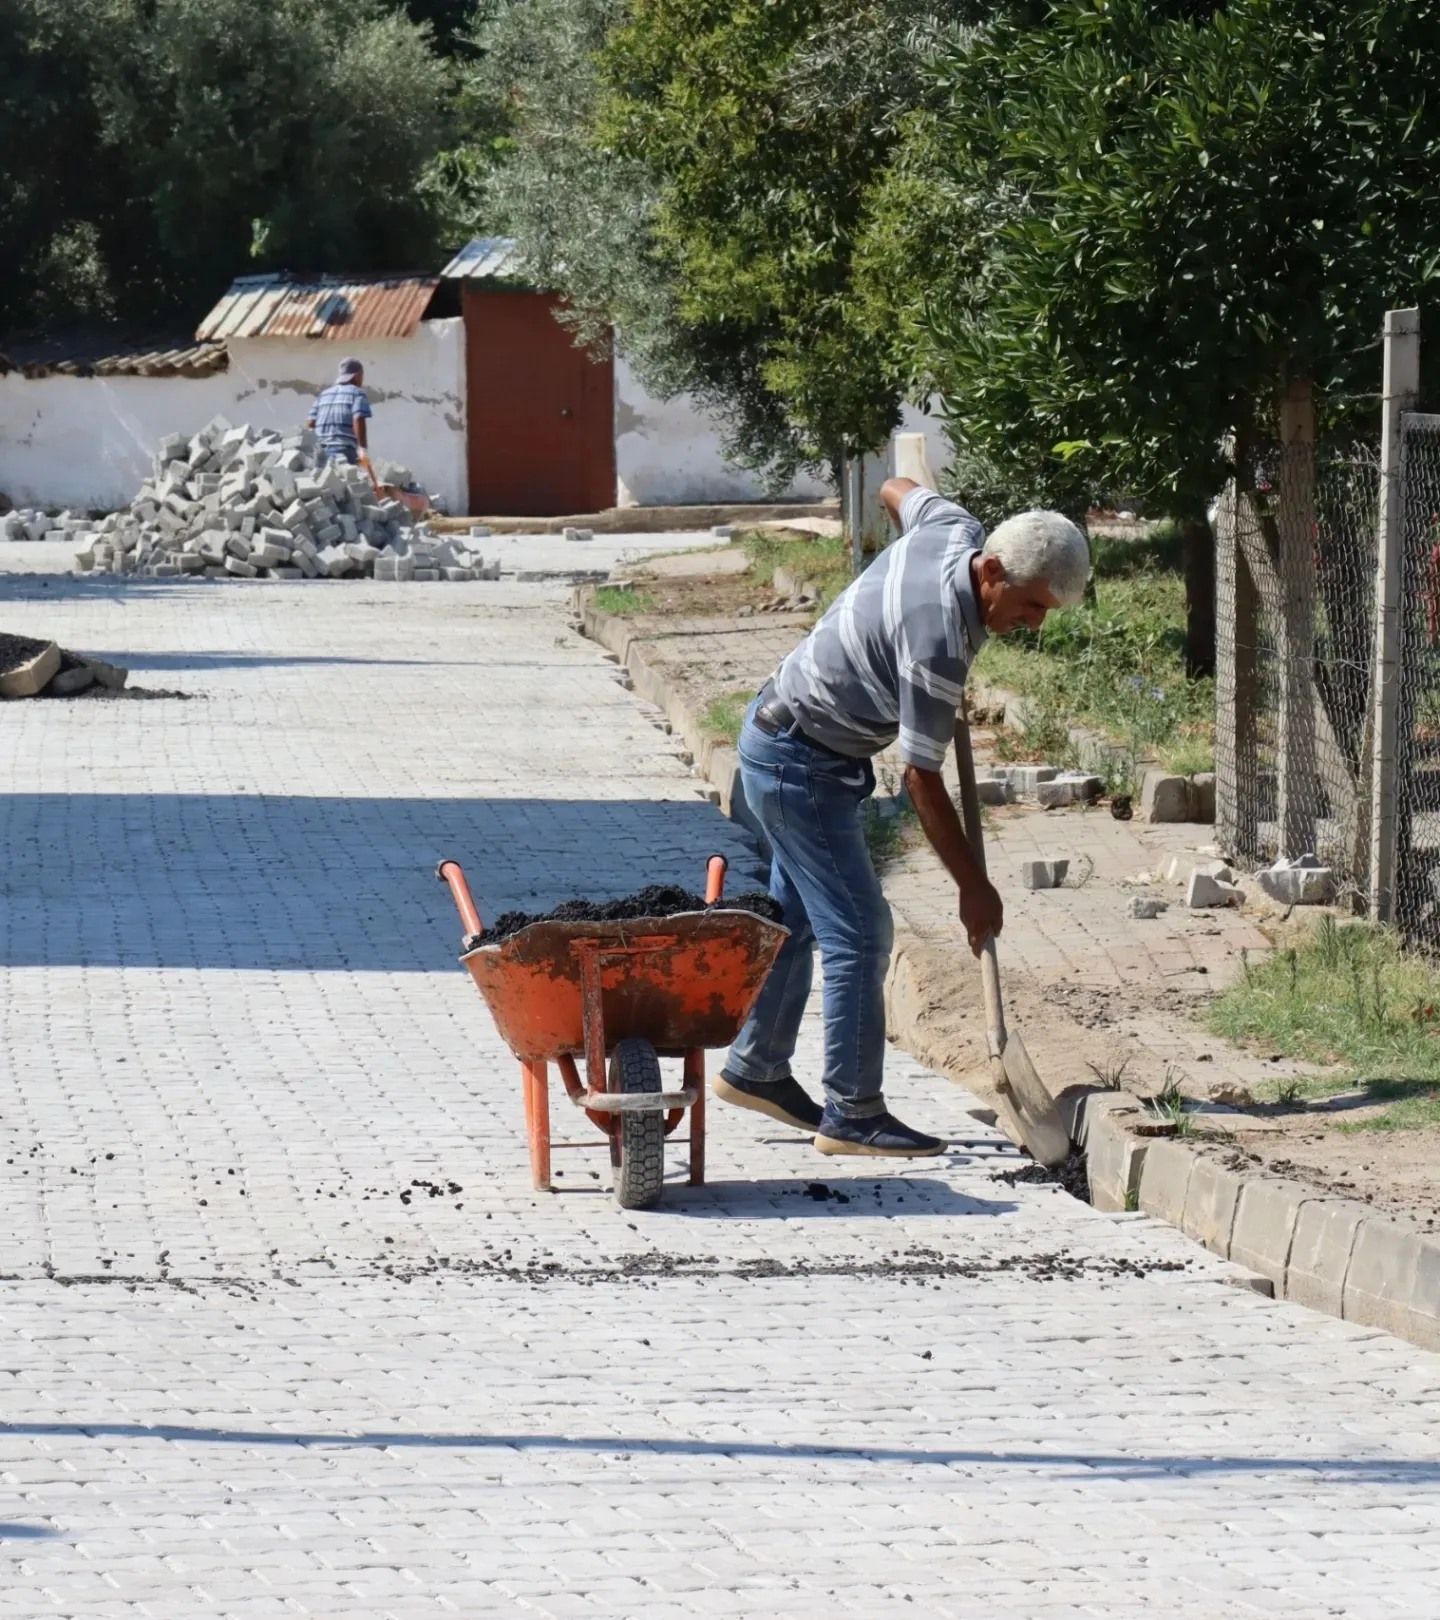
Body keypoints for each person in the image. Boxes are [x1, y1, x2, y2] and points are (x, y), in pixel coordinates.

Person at [715, 479, 1090, 1158]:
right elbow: (921, 778)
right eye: (1031, 607)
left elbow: (897, 490)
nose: (1033, 625)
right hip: (800, 762)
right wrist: (973, 887)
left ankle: (756, 1068)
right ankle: (854, 1112)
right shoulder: (938, 644)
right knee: (860, 931)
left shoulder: (950, 525)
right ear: (994, 571)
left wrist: (886, 580)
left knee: (796, 922)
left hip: (786, 738)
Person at [307, 358, 373, 466]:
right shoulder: (357, 393)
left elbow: (310, 424)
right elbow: (358, 419)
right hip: (344, 451)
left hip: (320, 452)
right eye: (362, 375)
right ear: (356, 375)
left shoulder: (323, 395)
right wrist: (362, 449)